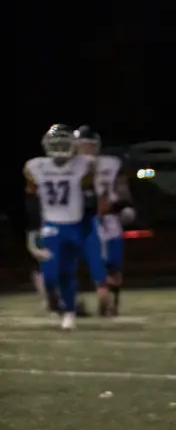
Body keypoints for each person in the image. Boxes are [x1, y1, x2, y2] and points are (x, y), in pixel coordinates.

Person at [23, 125, 105, 329]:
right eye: (55, 143)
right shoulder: (36, 167)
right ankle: (54, 299)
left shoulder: (83, 165)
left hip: (75, 225)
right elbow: (32, 199)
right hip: (51, 225)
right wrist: (33, 228)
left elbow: (90, 195)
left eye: (63, 143)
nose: (59, 148)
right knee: (50, 276)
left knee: (68, 272)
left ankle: (69, 312)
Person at [74, 126, 134, 316]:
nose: (87, 149)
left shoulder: (112, 163)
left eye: (90, 145)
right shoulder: (70, 167)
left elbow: (121, 187)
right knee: (97, 261)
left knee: (115, 264)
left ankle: (112, 302)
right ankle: (102, 297)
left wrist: (125, 206)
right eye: (83, 146)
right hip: (88, 219)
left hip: (111, 220)